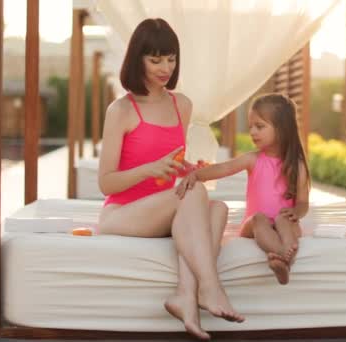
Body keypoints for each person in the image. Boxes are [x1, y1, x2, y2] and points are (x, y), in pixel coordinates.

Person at [97, 18, 244, 340]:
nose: (165, 67)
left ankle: (184, 297)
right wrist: (149, 170)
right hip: (123, 213)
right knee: (195, 197)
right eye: (155, 59)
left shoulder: (182, 105)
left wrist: (190, 169)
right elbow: (106, 183)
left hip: (164, 208)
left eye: (171, 58)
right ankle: (210, 286)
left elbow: (171, 162)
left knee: (217, 207)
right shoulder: (121, 110)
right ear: (137, 60)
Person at [177, 93, 311, 285]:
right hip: (254, 225)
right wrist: (197, 174)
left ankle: (282, 261)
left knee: (283, 219)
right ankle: (282, 255)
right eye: (251, 127)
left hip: (284, 222)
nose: (253, 132)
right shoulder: (253, 159)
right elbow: (224, 168)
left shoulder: (296, 166)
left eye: (260, 126)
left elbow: (303, 203)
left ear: (282, 129)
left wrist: (295, 212)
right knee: (259, 218)